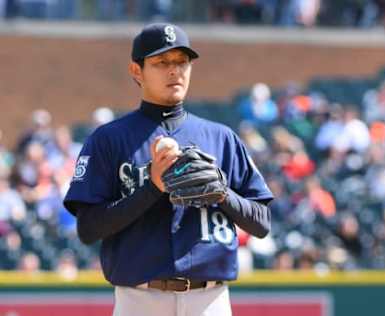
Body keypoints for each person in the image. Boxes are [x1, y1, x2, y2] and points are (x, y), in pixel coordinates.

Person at [63, 23, 273, 316]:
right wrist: (152, 188)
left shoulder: (222, 138)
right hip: (140, 299)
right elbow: (88, 229)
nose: (174, 71)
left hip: (210, 299)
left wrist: (223, 194)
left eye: (181, 61)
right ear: (137, 71)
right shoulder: (108, 140)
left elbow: (262, 222)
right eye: (161, 63)